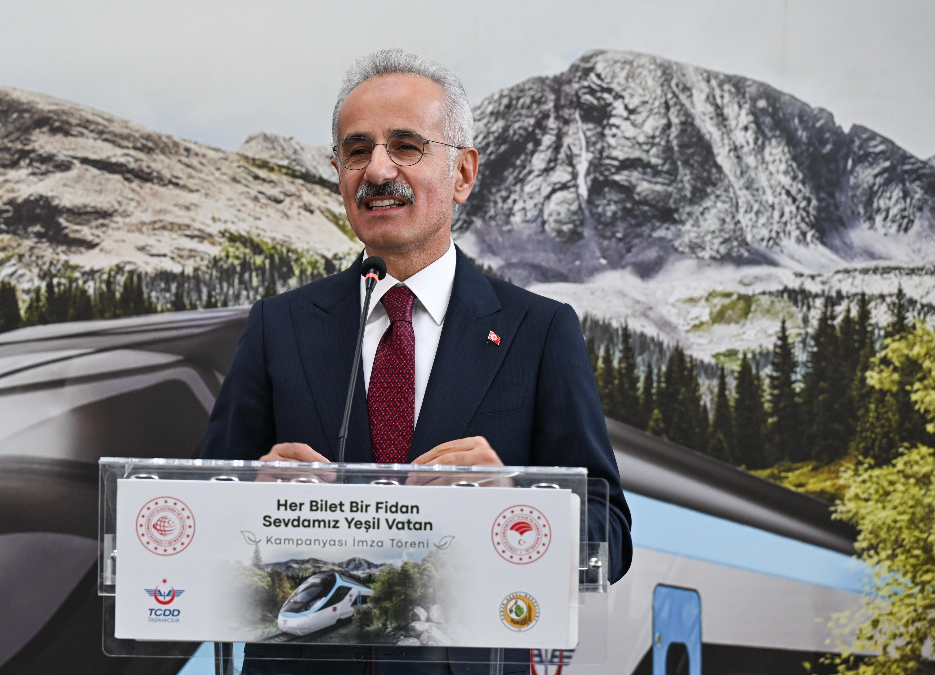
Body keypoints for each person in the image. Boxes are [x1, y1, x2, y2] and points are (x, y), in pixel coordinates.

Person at [201, 49, 632, 675]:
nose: (378, 170)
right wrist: (250, 506)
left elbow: (608, 538)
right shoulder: (278, 326)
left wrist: (514, 503)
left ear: (462, 173)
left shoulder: (539, 331)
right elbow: (201, 514)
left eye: (405, 146)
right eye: (357, 150)